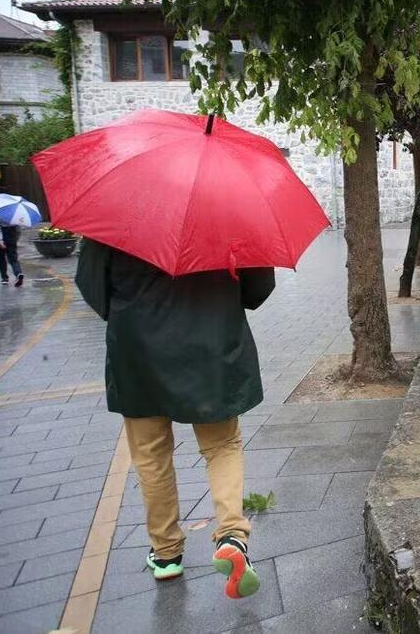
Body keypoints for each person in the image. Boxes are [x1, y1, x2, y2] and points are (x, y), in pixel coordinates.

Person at [76, 239, 275, 599]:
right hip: (211, 344)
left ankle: (166, 553)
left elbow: (93, 289)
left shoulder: (114, 213)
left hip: (138, 349)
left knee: (150, 454)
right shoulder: (227, 206)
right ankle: (232, 534)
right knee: (222, 445)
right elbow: (258, 290)